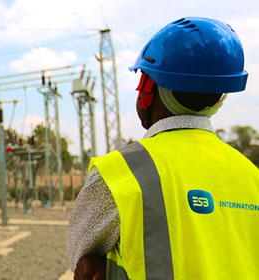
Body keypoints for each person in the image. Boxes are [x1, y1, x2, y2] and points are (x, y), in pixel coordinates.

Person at [67, 16, 259, 280]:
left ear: (147, 87)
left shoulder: (119, 173)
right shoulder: (251, 176)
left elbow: (81, 260)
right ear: (220, 97)